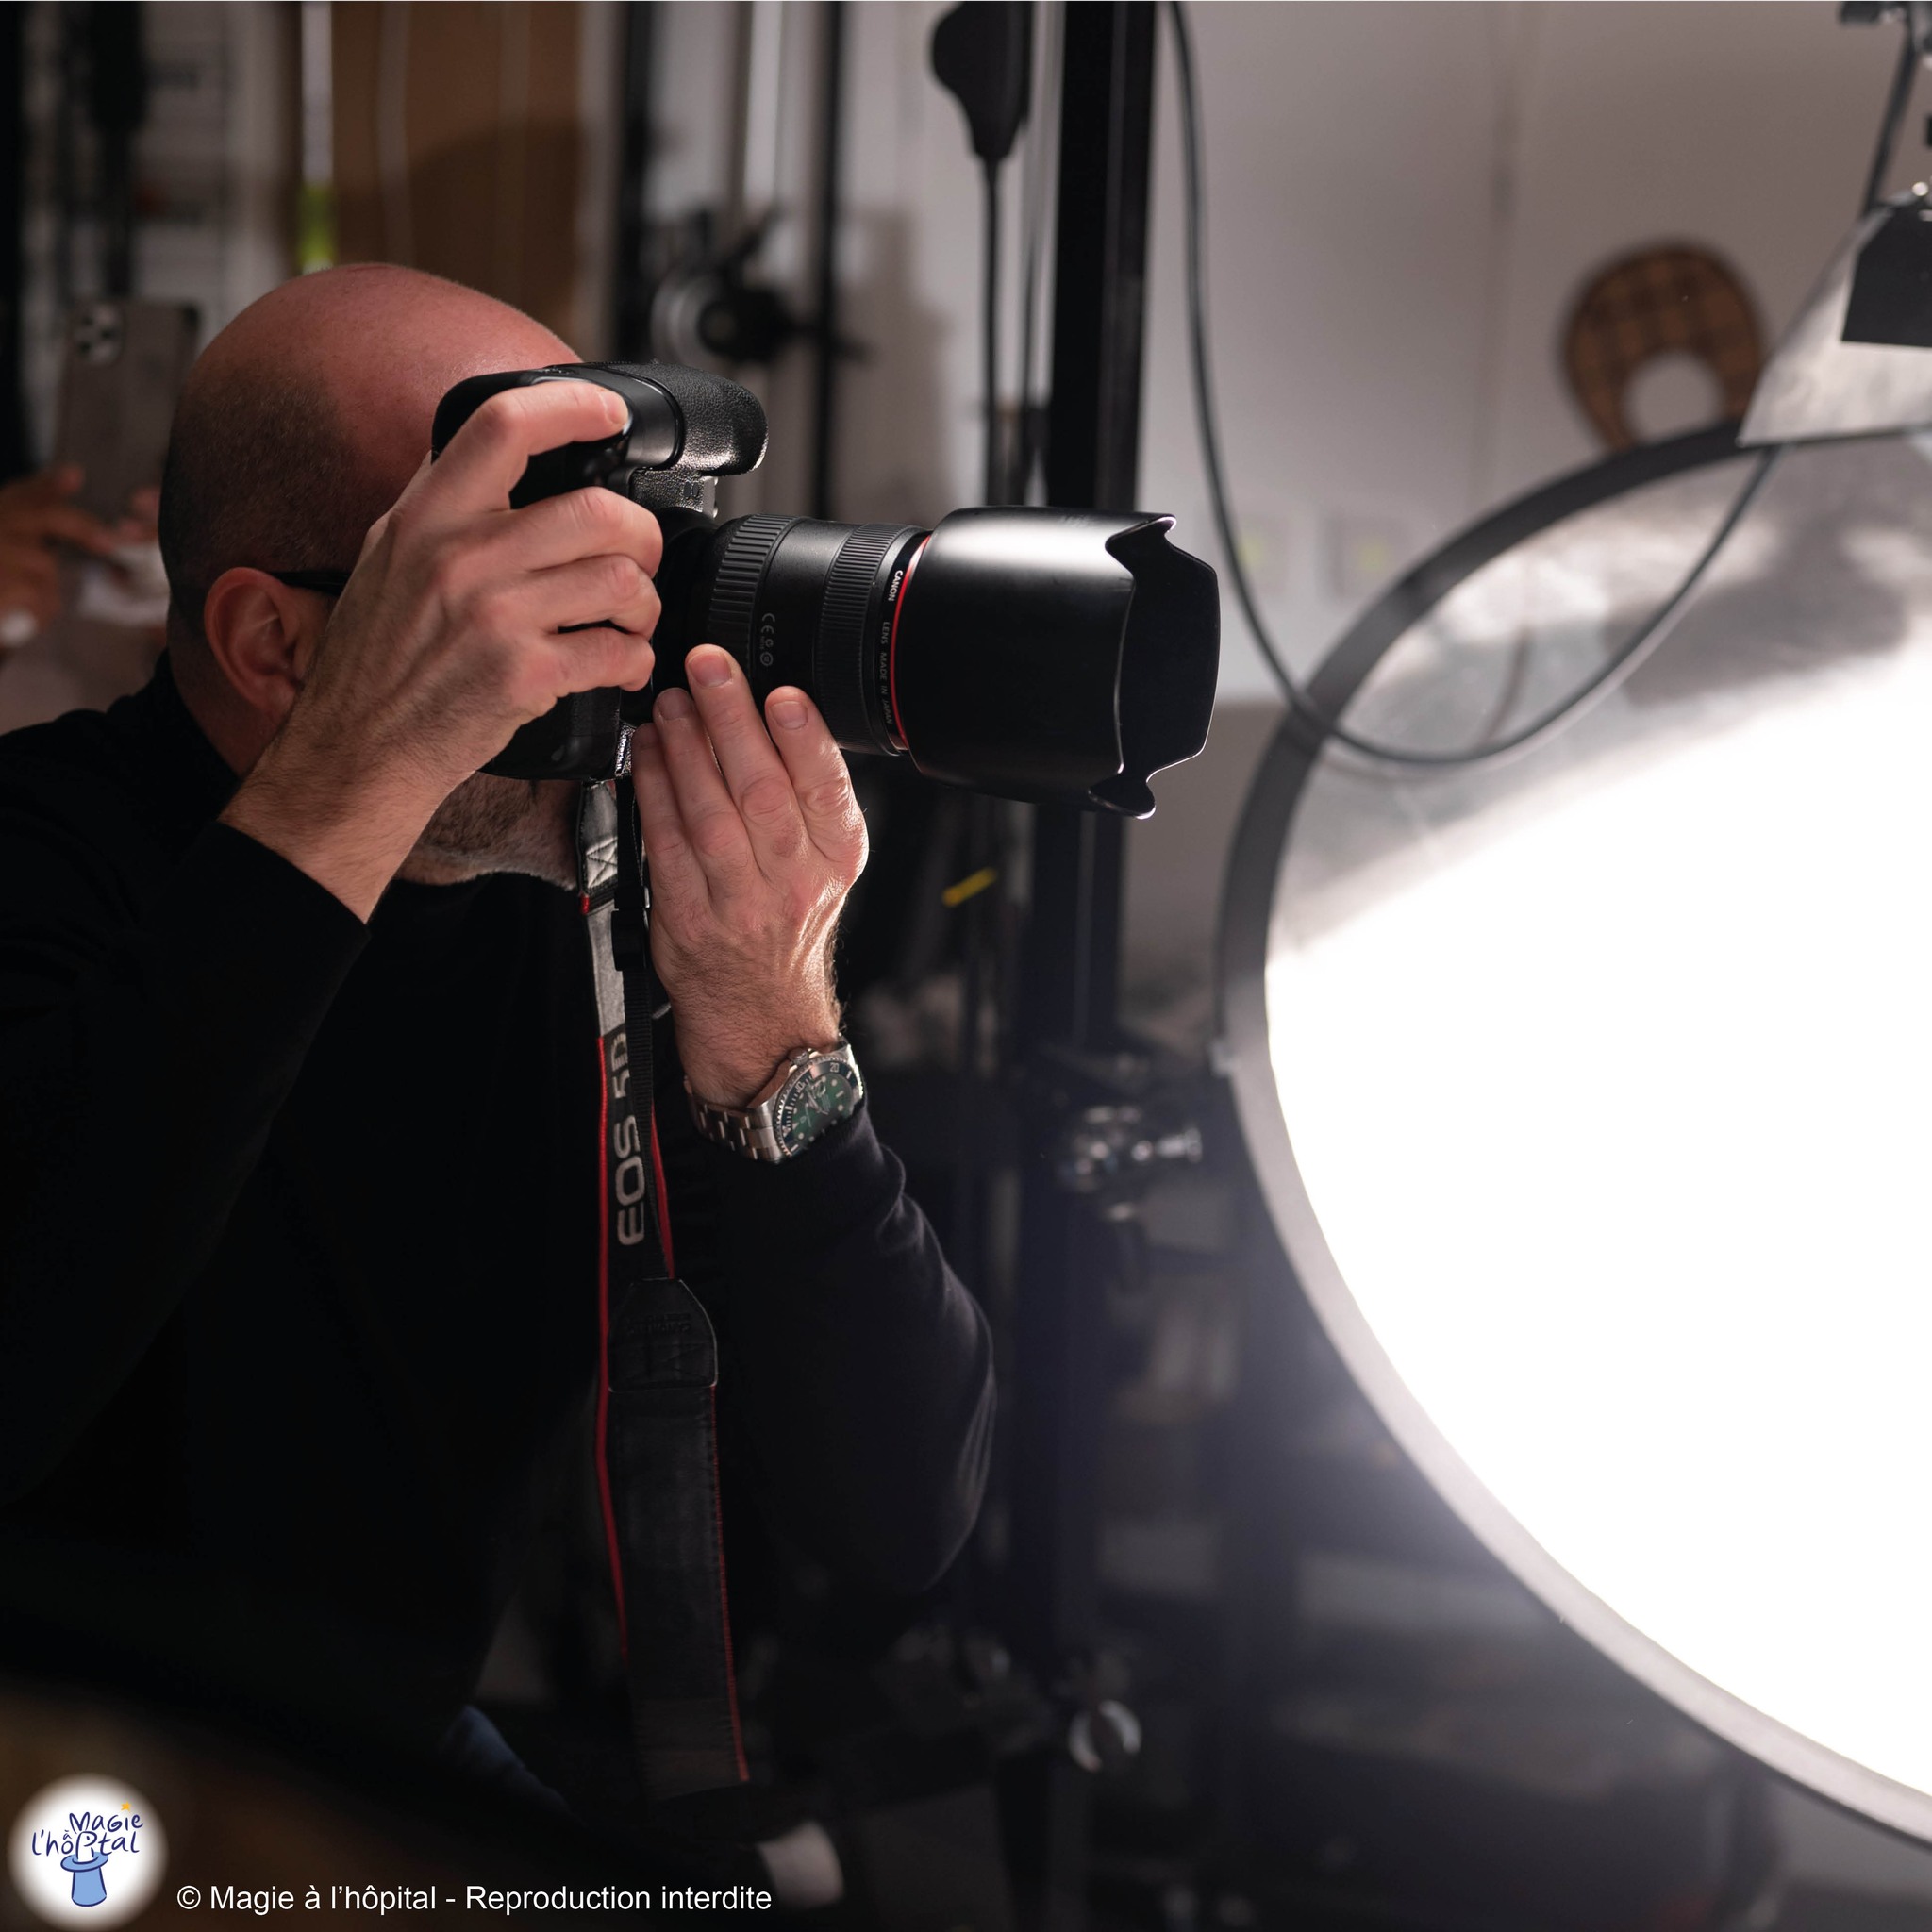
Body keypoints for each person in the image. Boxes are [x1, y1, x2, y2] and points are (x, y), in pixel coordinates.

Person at [0, 266, 994, 1785]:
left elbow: (899, 1515)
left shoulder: (584, 919)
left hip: (386, 1758)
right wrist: (354, 784)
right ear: (273, 647)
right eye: (519, 586)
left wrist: (774, 1037)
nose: (622, 644)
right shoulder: (41, 860)